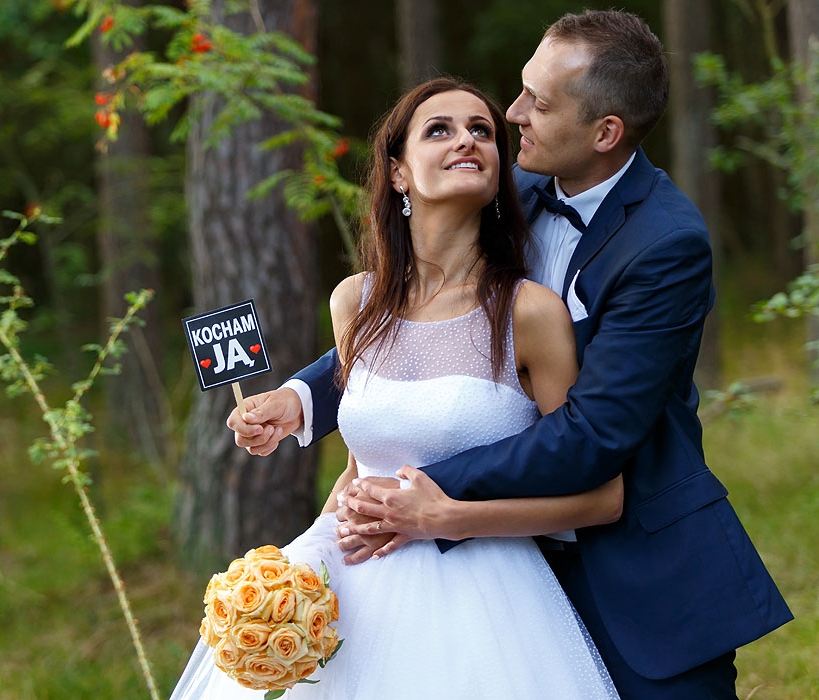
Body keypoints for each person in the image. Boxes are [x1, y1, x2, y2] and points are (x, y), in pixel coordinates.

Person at [227, 10, 793, 700]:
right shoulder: (504, 187)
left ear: (605, 132)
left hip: (633, 562)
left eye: (538, 102)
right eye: (520, 91)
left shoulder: (666, 244)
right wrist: (305, 397)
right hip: (480, 576)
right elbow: (416, 322)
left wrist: (418, 491)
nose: (512, 113)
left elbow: (592, 433)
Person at [170, 77, 622, 699]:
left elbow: (601, 497)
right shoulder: (356, 301)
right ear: (399, 173)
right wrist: (300, 564)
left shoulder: (529, 313)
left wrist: (448, 519)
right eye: (439, 129)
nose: (466, 139)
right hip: (353, 582)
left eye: (482, 131)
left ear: (496, 173)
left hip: (487, 605)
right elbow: (364, 462)